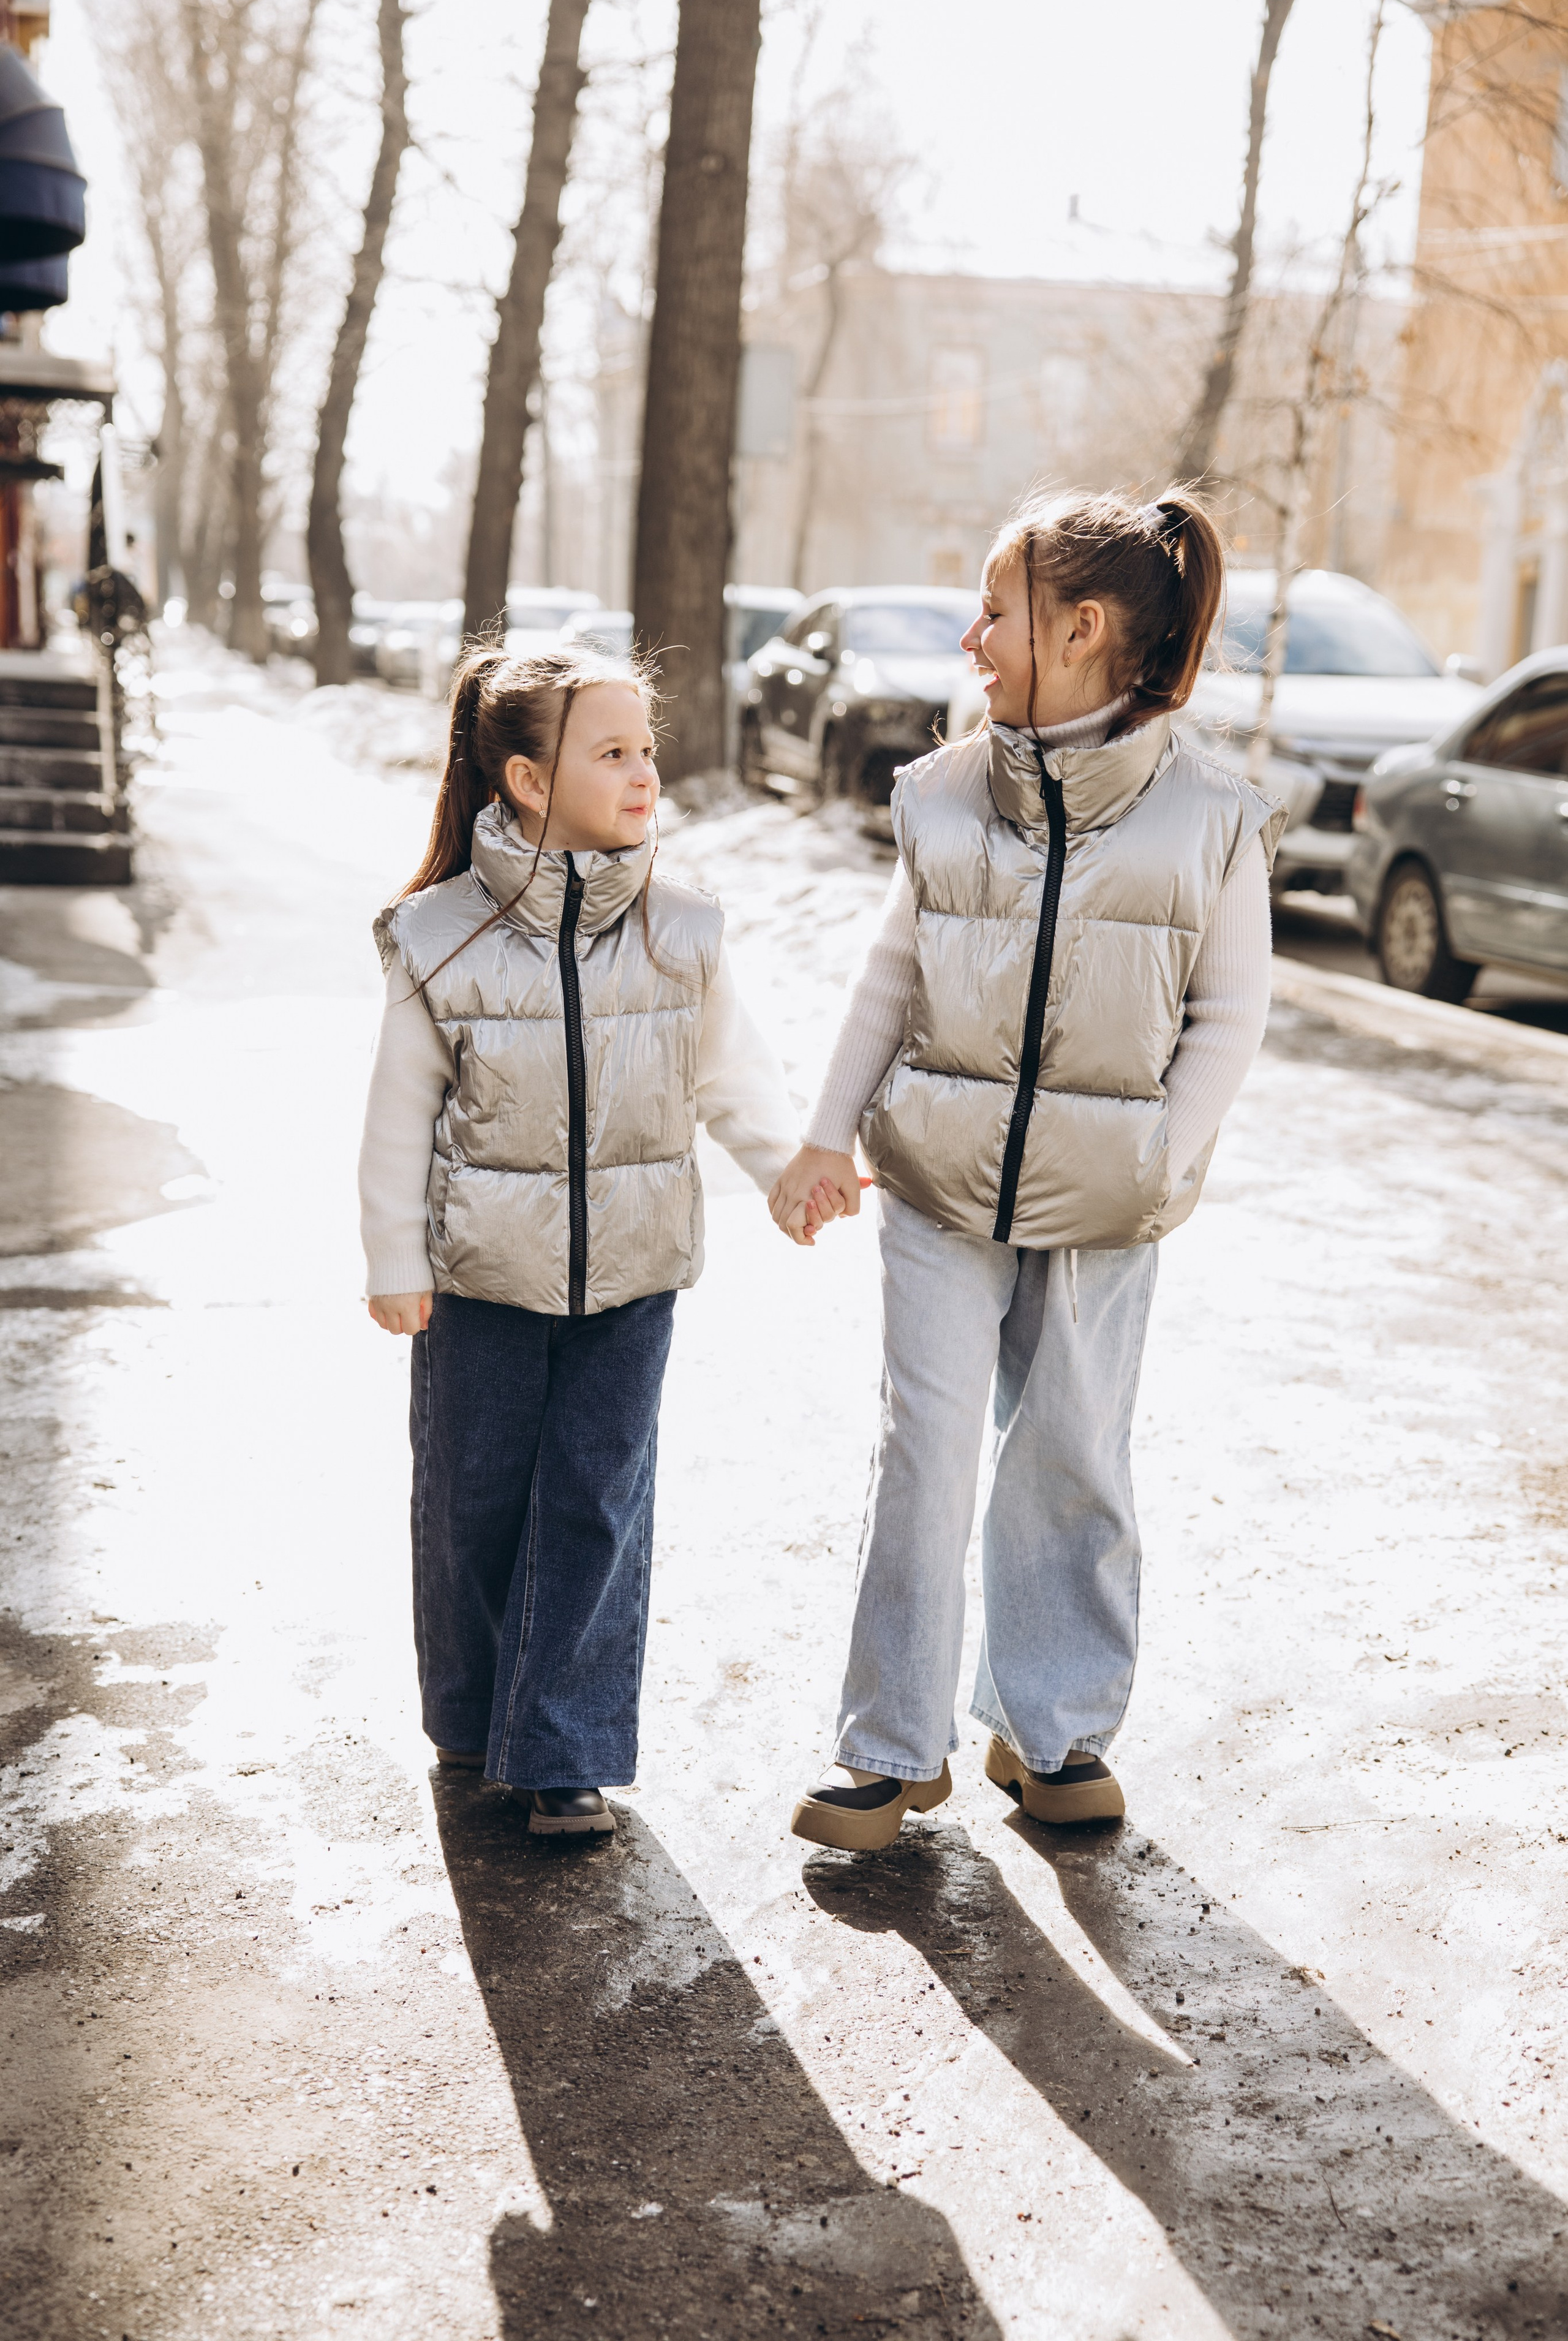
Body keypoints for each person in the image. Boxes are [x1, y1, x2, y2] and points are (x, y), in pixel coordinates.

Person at [769, 488, 1287, 1852]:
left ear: (1082, 628)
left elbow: (1230, 1014)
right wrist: (826, 1131)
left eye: (994, 612)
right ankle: (889, 1747)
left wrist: (1156, 1161)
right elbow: (891, 974)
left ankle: (1050, 1731)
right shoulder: (946, 795)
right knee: (925, 1451)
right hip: (937, 1187)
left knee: (1070, 1455)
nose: (971, 638)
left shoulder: (1211, 818)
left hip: (1104, 1207)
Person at [360, 642, 805, 1837]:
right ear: (525, 779)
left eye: (646, 747)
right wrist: (394, 1256)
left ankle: (562, 1751)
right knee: (473, 1499)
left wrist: (786, 1170)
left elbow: (731, 1076)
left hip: (634, 1276)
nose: (643, 771)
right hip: (478, 1280)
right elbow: (399, 1112)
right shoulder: (439, 935)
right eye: (612, 752)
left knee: (593, 1503)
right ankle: (471, 1715)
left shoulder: (679, 930)